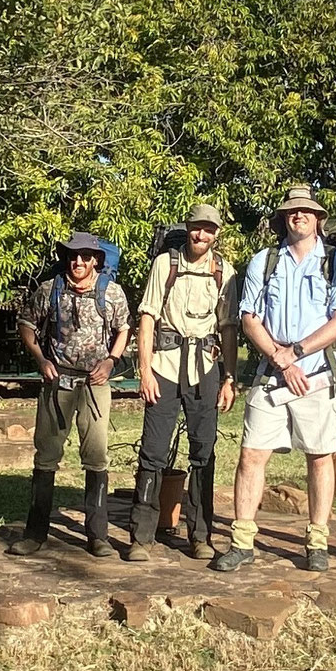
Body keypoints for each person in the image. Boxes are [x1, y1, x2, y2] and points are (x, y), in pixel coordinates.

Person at [212, 184, 336, 574]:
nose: (299, 216)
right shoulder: (264, 261)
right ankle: (242, 541)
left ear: (318, 219)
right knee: (251, 455)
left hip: (318, 375)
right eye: (292, 212)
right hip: (273, 373)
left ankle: (317, 541)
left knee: (320, 457)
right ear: (284, 219)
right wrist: (281, 359)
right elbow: (249, 317)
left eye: (306, 212)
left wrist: (296, 354)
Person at [124, 203, 239, 562]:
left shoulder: (225, 272)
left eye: (208, 229)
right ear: (188, 228)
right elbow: (147, 317)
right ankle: (141, 537)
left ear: (217, 234)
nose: (200, 235)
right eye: (195, 227)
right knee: (153, 452)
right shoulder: (166, 264)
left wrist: (229, 379)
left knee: (203, 453)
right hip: (165, 366)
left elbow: (229, 328)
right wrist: (144, 370)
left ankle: (201, 535)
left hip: (205, 369)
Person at [8, 231, 131, 557]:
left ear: (96, 260)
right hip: (57, 382)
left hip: (95, 385)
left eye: (85, 256)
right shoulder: (50, 290)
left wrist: (111, 361)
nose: (78, 262)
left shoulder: (112, 293)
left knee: (96, 457)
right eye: (72, 256)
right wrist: (41, 359)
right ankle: (34, 535)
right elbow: (26, 325)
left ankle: (98, 536)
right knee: (46, 457)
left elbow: (123, 329)